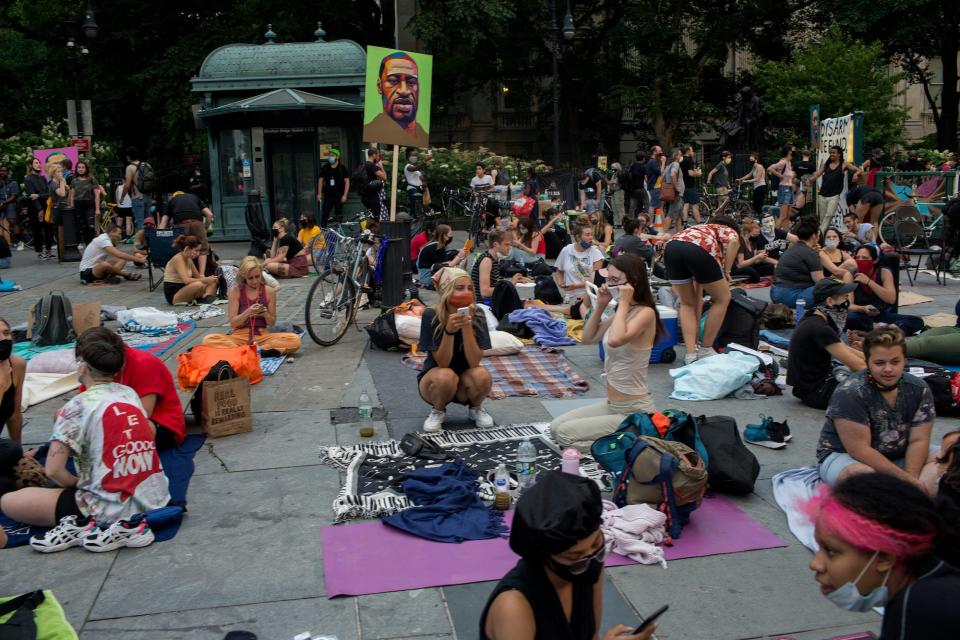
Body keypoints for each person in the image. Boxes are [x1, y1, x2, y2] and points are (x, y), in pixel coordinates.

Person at [0, 334, 171, 535]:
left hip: (109, 509)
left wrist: (78, 484)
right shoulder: (128, 394)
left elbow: (54, 471)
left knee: (8, 501)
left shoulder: (75, 407)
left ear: (82, 367)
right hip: (156, 498)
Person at [480, 470, 657, 640]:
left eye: (597, 544)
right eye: (574, 556)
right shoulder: (514, 607)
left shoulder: (589, 564)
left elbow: (591, 636)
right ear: (544, 556)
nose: (590, 557)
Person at [804, 473, 960, 638]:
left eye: (831, 551)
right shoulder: (928, 582)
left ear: (884, 559)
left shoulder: (919, 607)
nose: (815, 564)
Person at [550, 254, 661, 451]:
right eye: (607, 278)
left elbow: (616, 340)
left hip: (635, 409)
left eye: (615, 280)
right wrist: (600, 305)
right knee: (556, 428)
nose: (608, 284)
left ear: (633, 282)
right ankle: (626, 439)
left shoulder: (646, 313)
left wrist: (624, 302)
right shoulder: (623, 310)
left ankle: (634, 441)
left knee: (566, 436)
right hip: (613, 405)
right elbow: (588, 338)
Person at [816, 326, 938, 487]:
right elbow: (859, 450)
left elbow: (919, 440)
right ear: (867, 362)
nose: (888, 369)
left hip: (900, 453)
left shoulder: (919, 388)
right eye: (880, 363)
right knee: (860, 477)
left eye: (895, 362)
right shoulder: (850, 392)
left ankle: (915, 500)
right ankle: (916, 499)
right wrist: (906, 480)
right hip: (847, 457)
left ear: (904, 361)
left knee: (950, 457)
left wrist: (912, 479)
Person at [76, 328, 186, 450]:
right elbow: (84, 407)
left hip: (155, 422)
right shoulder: (93, 368)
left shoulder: (145, 363)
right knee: (65, 417)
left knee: (133, 429)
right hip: (114, 420)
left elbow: (142, 414)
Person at [417, 268, 494, 433]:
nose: (466, 292)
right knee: (446, 375)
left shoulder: (478, 313)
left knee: (482, 375)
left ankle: (476, 408)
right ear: (446, 290)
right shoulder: (431, 314)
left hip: (466, 379)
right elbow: (443, 362)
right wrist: (449, 331)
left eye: (469, 288)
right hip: (436, 380)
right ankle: (438, 411)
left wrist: (467, 327)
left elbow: (474, 362)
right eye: (459, 288)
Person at [663, 219, 738, 364]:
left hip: (672, 248)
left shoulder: (699, 229)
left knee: (687, 303)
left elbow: (698, 296)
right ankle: (706, 348)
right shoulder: (726, 230)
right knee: (722, 298)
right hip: (700, 250)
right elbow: (734, 243)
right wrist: (727, 270)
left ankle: (691, 353)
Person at [787, 278, 865, 409]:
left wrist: (874, 357)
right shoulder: (821, 329)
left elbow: (843, 348)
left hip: (806, 388)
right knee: (878, 391)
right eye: (845, 298)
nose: (847, 303)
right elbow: (859, 366)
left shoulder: (812, 316)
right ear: (830, 301)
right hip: (817, 391)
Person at [201, 256, 301, 355]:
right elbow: (234, 323)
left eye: (257, 277)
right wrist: (248, 312)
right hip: (239, 336)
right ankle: (254, 350)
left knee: (295, 340)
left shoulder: (269, 291)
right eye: (250, 278)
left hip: (262, 336)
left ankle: (253, 350)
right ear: (244, 277)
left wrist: (265, 313)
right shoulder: (235, 291)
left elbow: (271, 323)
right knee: (208, 340)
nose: (255, 281)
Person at [846, 245, 923, 335]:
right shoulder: (850, 275)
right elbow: (848, 305)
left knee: (917, 321)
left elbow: (891, 299)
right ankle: (887, 331)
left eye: (865, 258)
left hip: (878, 314)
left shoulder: (884, 273)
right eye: (858, 258)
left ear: (875, 260)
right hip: (859, 315)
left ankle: (878, 331)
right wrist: (863, 308)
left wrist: (869, 282)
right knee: (850, 317)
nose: (861, 261)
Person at [365, 52, 428, 147]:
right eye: (393, 81)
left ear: (418, 87)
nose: (404, 91)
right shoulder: (371, 131)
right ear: (379, 86)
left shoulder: (424, 137)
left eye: (411, 82)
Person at [770, 217, 827, 308]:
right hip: (790, 296)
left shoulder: (792, 249)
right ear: (813, 236)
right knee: (830, 289)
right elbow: (820, 282)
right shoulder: (810, 253)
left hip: (776, 293)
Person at [553, 223, 605, 317]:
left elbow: (596, 281)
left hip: (589, 294)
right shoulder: (567, 250)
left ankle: (536, 306)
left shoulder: (595, 253)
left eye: (591, 235)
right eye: (587, 234)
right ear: (578, 237)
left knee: (576, 313)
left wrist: (576, 286)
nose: (591, 238)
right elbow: (559, 271)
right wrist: (561, 282)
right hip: (570, 296)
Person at [806, 146, 862, 232]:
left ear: (839, 154)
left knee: (829, 215)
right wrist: (810, 180)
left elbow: (858, 170)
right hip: (822, 194)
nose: (831, 154)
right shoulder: (827, 164)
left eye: (834, 152)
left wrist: (856, 174)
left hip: (834, 195)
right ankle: (824, 236)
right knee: (823, 218)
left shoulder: (844, 164)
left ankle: (819, 233)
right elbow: (818, 174)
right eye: (831, 152)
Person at [160, 190, 214, 276]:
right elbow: (209, 214)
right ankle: (201, 275)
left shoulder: (171, 201)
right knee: (203, 249)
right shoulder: (194, 197)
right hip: (197, 224)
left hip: (181, 225)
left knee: (182, 249)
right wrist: (205, 228)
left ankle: (185, 274)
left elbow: (163, 224)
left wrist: (160, 238)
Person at [79, 222, 145, 284]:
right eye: (119, 234)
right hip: (86, 272)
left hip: (97, 268)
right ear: (112, 232)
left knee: (122, 260)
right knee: (105, 264)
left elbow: (121, 256)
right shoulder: (103, 240)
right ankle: (126, 275)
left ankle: (109, 277)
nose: (120, 236)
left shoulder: (106, 238)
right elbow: (119, 254)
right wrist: (139, 260)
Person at [162, 235, 218, 305]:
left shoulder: (188, 259)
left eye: (199, 251)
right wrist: (205, 280)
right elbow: (186, 280)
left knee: (212, 282)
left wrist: (211, 279)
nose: (198, 254)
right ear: (187, 248)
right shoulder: (178, 258)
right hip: (174, 294)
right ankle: (205, 298)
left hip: (186, 289)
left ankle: (206, 298)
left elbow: (198, 277)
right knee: (199, 284)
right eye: (196, 250)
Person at [0, 318, 25, 443]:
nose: (3, 339)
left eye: (6, 333)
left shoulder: (16, 364)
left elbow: (15, 415)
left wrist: (19, 457)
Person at [24, 157, 53, 260]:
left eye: (39, 163)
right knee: (37, 231)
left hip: (46, 206)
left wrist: (39, 195)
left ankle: (48, 251)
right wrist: (39, 209)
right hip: (35, 208)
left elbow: (48, 194)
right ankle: (40, 252)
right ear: (31, 165)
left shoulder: (43, 178)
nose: (38, 164)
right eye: (36, 163)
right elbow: (32, 196)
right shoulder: (28, 179)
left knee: (49, 229)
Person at [317, 147, 350, 226]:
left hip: (339, 196)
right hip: (328, 195)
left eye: (332, 155)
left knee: (338, 215)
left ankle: (338, 232)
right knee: (325, 214)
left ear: (337, 157)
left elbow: (347, 182)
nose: (330, 157)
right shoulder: (325, 168)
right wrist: (319, 193)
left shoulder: (342, 168)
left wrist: (345, 195)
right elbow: (321, 180)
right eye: (329, 156)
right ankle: (323, 232)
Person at [70, 160, 100, 245]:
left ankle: (90, 246)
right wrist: (71, 205)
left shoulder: (91, 179)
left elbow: (96, 194)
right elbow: (72, 195)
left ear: (86, 169)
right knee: (80, 227)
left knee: (90, 226)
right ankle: (81, 247)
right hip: (77, 205)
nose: (81, 169)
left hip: (89, 204)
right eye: (79, 167)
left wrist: (97, 209)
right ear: (76, 169)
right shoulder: (74, 180)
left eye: (83, 167)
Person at [768, 145, 797, 229]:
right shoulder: (783, 162)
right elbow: (770, 168)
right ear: (789, 152)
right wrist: (780, 176)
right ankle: (775, 234)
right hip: (784, 189)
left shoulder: (789, 163)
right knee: (783, 216)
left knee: (787, 216)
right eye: (792, 151)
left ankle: (786, 235)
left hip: (789, 189)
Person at [122, 147, 147, 231]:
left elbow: (127, 185)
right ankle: (150, 242)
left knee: (140, 223)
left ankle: (142, 244)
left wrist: (122, 198)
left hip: (138, 197)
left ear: (129, 156)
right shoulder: (146, 165)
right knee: (148, 222)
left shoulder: (130, 167)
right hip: (148, 197)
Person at [361, 148, 389, 220]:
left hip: (365, 194)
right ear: (374, 155)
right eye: (377, 155)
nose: (378, 157)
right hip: (373, 195)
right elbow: (384, 177)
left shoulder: (363, 164)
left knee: (371, 216)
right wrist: (381, 167)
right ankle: (375, 230)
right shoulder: (372, 166)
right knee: (376, 217)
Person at [737, 151, 768, 216]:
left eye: (751, 160)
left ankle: (762, 217)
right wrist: (740, 179)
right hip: (757, 187)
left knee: (758, 204)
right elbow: (749, 175)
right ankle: (760, 216)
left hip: (761, 187)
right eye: (750, 160)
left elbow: (757, 178)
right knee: (755, 203)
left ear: (756, 160)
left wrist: (746, 181)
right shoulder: (754, 167)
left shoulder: (759, 167)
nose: (750, 161)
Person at [662, 149, 685, 233]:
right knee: (670, 215)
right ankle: (661, 236)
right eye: (680, 155)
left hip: (675, 193)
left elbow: (663, 175)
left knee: (678, 216)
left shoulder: (669, 165)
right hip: (676, 193)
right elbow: (673, 174)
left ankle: (679, 234)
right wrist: (676, 187)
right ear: (676, 156)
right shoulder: (675, 164)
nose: (681, 156)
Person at [680, 145, 703, 225]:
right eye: (692, 150)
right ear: (688, 151)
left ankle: (685, 223)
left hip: (683, 185)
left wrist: (694, 171)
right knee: (695, 205)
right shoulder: (689, 160)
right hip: (690, 186)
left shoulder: (681, 160)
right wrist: (698, 174)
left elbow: (685, 172)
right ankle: (699, 223)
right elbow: (690, 174)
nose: (693, 152)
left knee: (686, 204)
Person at [705, 150, 732, 215]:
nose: (730, 159)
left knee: (721, 204)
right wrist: (708, 181)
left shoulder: (725, 166)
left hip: (724, 187)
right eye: (728, 157)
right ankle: (715, 212)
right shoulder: (720, 164)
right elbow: (711, 172)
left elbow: (725, 178)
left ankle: (718, 218)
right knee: (726, 200)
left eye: (730, 157)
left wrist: (729, 186)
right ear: (723, 157)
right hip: (720, 186)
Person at [404, 147, 426, 220]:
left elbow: (421, 178)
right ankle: (412, 223)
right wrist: (425, 160)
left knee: (419, 208)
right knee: (415, 208)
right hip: (412, 190)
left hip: (419, 190)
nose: (414, 157)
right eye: (413, 156)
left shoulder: (417, 170)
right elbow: (415, 168)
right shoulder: (408, 167)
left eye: (415, 156)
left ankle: (417, 223)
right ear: (408, 157)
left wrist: (423, 182)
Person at [0, 165, 19, 247]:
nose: (2, 172)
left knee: (11, 221)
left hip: (9, 203)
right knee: (2, 225)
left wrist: (4, 202)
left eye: (4, 171)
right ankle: (5, 244)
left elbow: (14, 195)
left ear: (7, 172)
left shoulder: (12, 182)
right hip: (0, 204)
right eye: (1, 171)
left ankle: (18, 240)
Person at [645, 145, 664, 216]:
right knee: (653, 206)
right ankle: (651, 223)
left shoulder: (654, 161)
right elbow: (661, 172)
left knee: (658, 206)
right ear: (654, 152)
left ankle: (661, 223)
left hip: (656, 186)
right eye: (659, 151)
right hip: (655, 187)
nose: (661, 153)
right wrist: (664, 162)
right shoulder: (653, 162)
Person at [627, 151, 648, 217]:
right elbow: (646, 179)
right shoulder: (643, 167)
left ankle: (631, 220)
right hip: (641, 188)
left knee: (632, 206)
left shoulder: (633, 166)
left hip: (633, 189)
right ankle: (646, 217)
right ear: (643, 158)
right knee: (647, 203)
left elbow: (630, 176)